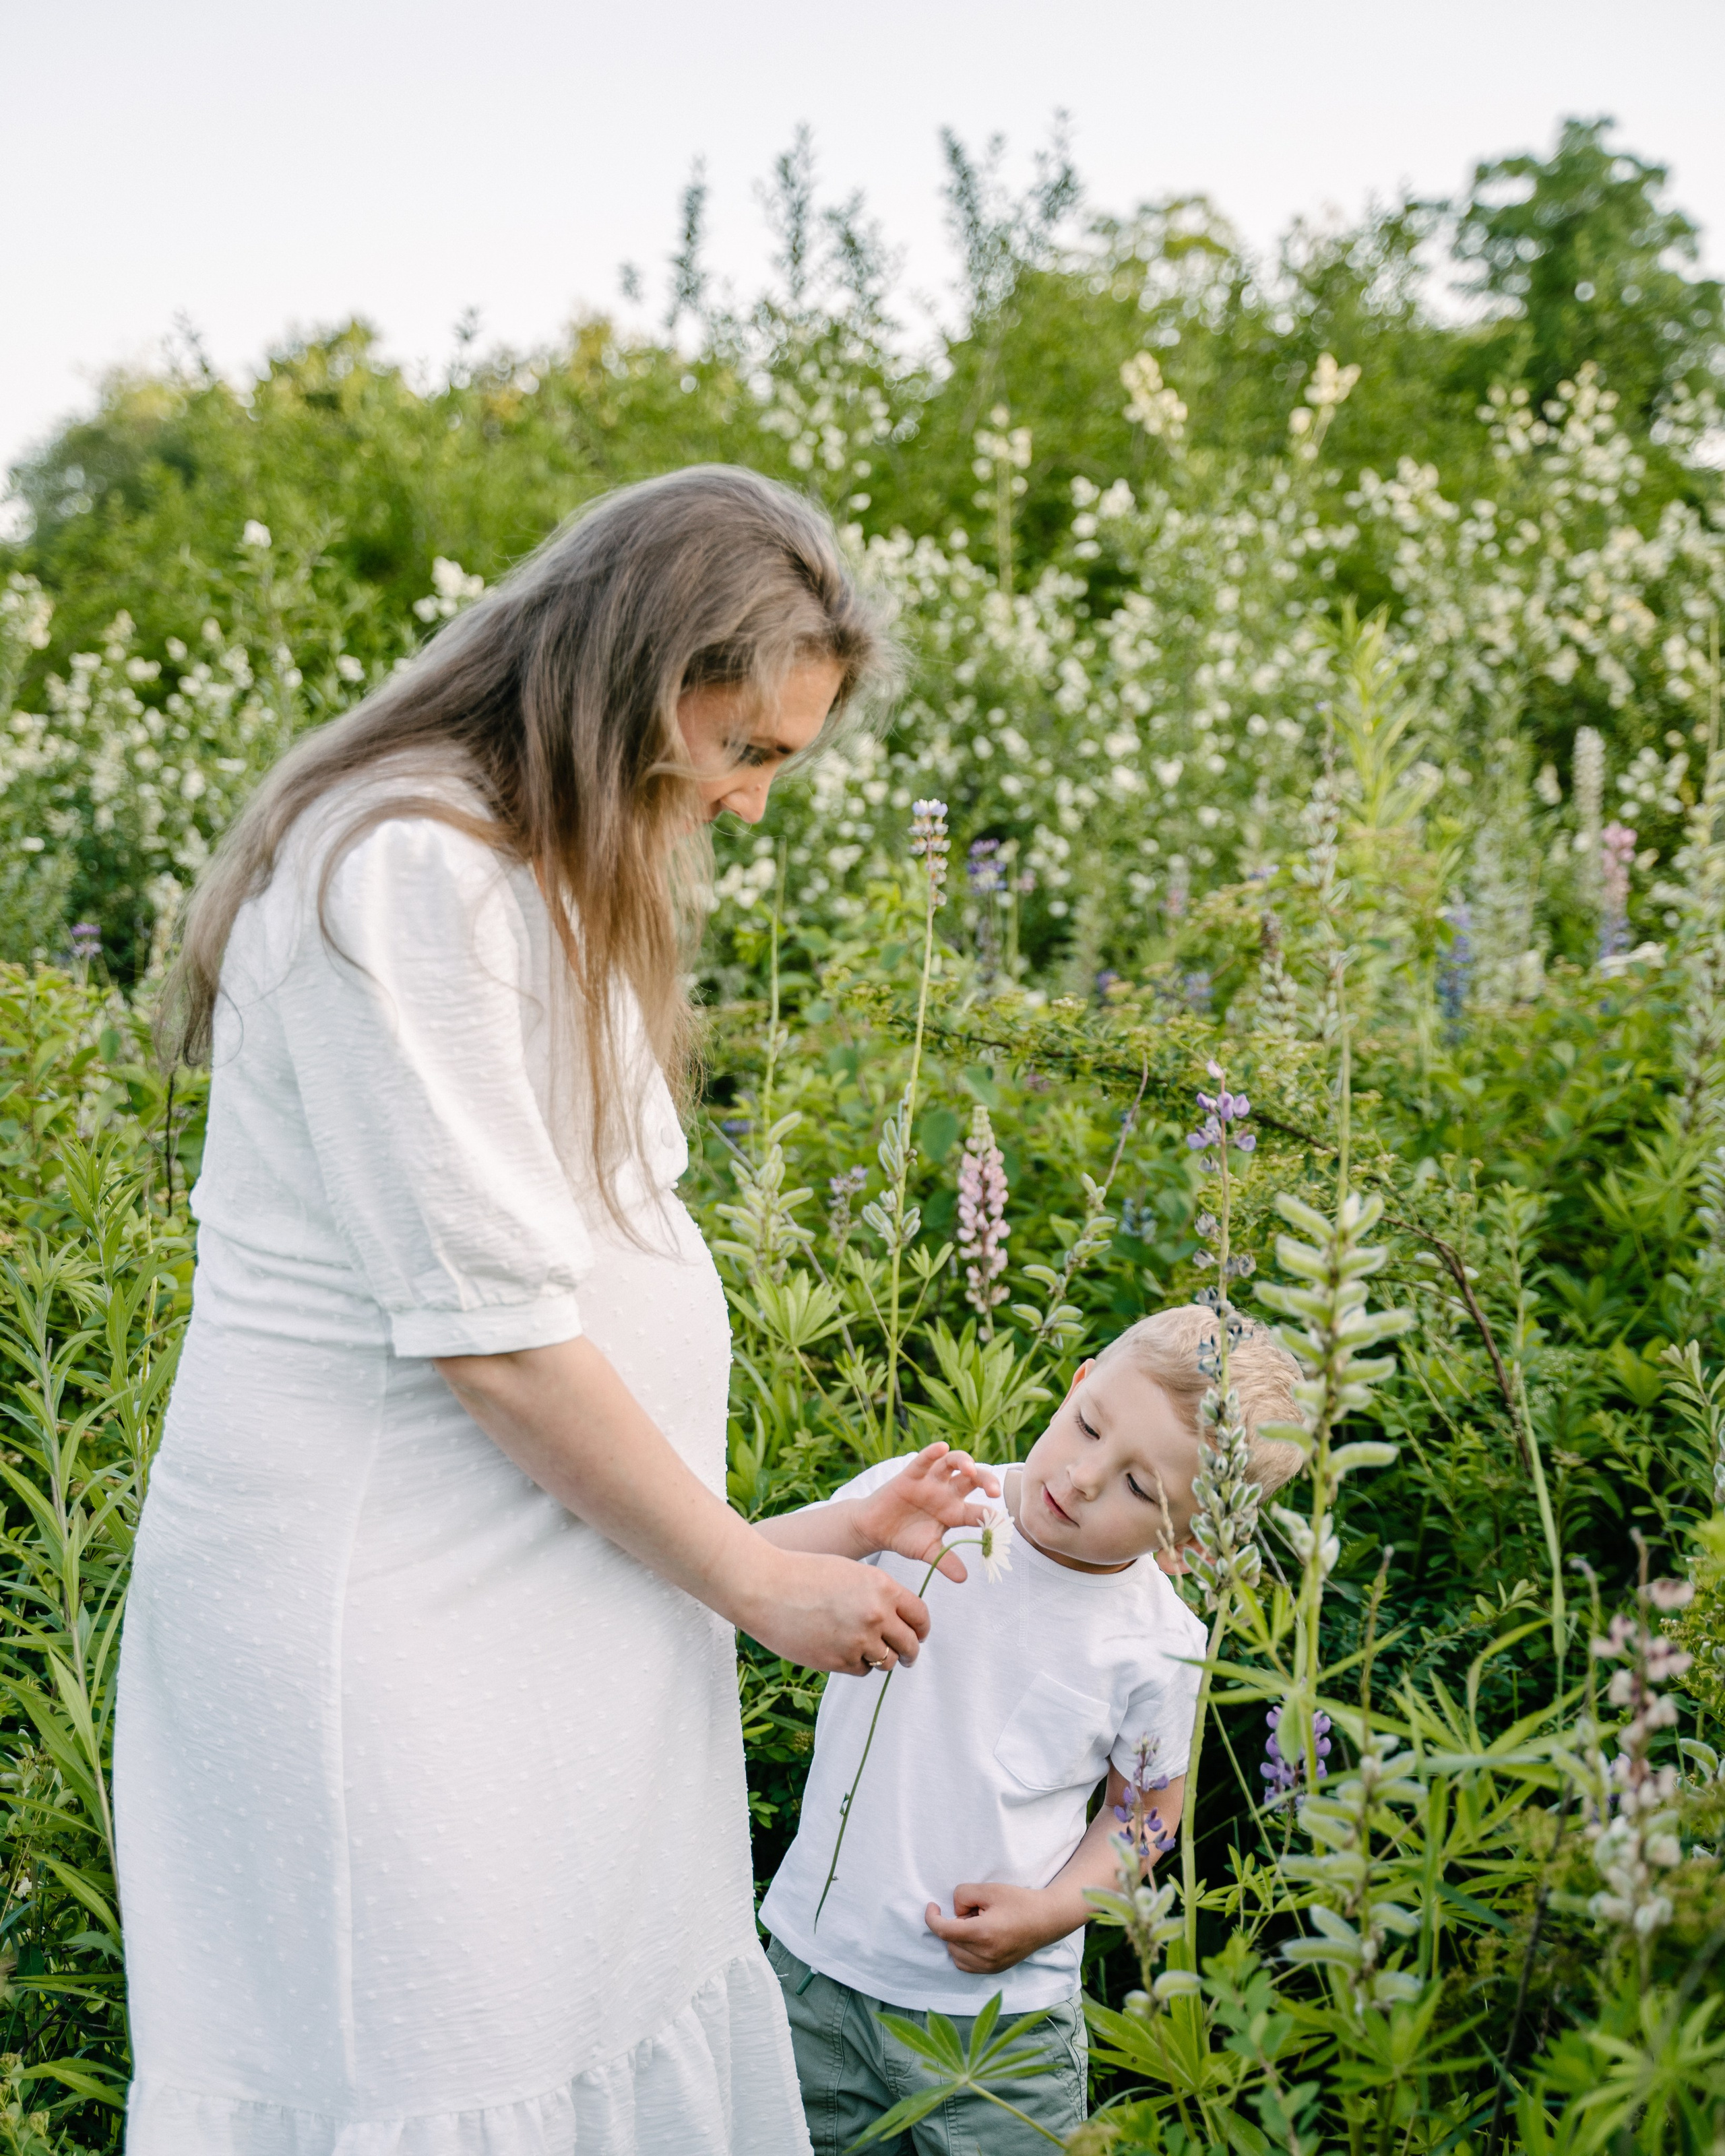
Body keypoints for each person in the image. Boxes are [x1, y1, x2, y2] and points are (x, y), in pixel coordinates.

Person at [114, 467, 999, 2156]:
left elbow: (560, 1318)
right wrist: (750, 1584)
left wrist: (791, 1535)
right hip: (388, 1639)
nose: (747, 804)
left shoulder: (531, 869)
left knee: (584, 2051)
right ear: (635, 681)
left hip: (538, 1621)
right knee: (442, 2076)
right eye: (744, 751)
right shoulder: (407, 870)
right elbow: (494, 1346)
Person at [757, 1306, 1305, 2155]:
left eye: (1139, 1488)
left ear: (1186, 1543)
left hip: (997, 2025)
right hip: (814, 1967)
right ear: (1079, 1382)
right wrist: (861, 1526)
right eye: (1089, 1426)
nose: (1085, 1477)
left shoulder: (1156, 1641)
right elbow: (750, 1567)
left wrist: (1054, 1909)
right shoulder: (926, 1494)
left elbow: (1149, 1803)